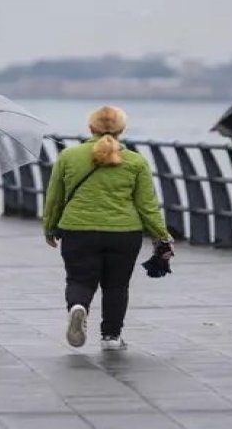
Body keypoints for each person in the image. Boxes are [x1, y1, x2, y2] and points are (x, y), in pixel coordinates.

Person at [42, 106, 173, 351]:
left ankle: (78, 307)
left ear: (90, 127)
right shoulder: (136, 161)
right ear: (122, 129)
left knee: (79, 280)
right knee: (117, 285)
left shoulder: (69, 156)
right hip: (124, 233)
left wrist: (49, 227)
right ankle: (111, 337)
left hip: (78, 230)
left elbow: (54, 197)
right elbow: (147, 206)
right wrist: (161, 236)